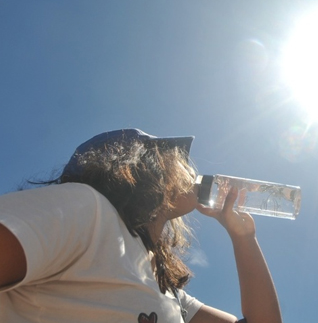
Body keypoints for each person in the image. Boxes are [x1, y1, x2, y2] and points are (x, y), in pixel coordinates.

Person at [0, 129, 283, 323]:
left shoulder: (166, 288)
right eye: (176, 159)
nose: (189, 169)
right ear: (141, 166)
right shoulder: (88, 210)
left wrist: (244, 237)